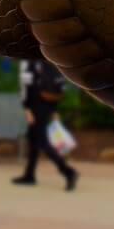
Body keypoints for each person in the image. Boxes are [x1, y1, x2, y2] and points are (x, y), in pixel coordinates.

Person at [13, 56, 78, 191]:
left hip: (36, 105)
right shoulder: (44, 57)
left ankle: (68, 172)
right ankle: (29, 174)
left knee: (41, 141)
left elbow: (26, 86)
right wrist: (53, 109)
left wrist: (27, 109)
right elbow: (51, 83)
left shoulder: (27, 60)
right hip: (47, 102)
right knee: (33, 139)